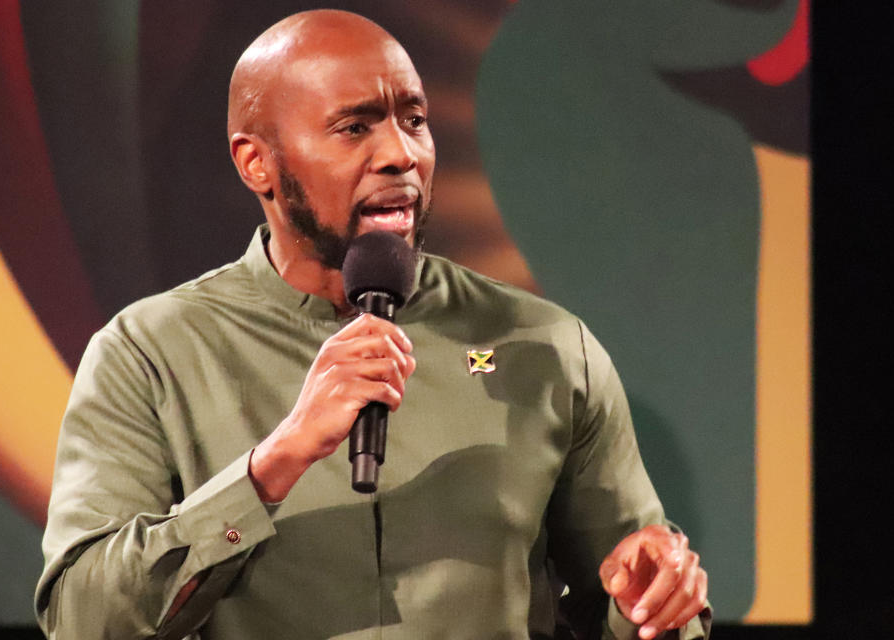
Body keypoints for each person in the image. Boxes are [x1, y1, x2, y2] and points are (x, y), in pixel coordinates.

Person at [36, 9, 709, 640]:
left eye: (413, 120)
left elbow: (638, 599)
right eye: (355, 127)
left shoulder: (548, 346)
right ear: (256, 163)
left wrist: (656, 600)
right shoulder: (150, 353)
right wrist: (277, 461)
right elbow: (81, 617)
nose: (400, 154)